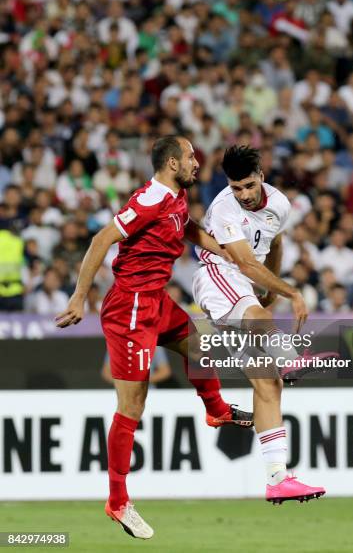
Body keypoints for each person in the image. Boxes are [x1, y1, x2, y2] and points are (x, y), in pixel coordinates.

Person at [56, 136, 252, 540]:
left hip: (156, 301)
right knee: (132, 405)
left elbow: (189, 230)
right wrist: (79, 298)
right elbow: (100, 241)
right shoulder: (149, 199)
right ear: (171, 163)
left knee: (199, 345)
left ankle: (215, 410)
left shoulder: (177, 197)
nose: (198, 162)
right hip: (130, 308)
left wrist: (228, 253)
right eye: (191, 157)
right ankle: (117, 500)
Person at [192, 146, 335, 506]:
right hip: (217, 276)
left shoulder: (280, 204)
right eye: (236, 187)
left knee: (268, 384)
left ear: (261, 176)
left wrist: (272, 287)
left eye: (248, 186)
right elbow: (243, 263)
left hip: (247, 287)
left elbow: (274, 243)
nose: (243, 194)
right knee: (259, 318)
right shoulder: (224, 209)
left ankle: (277, 478)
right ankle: (291, 357)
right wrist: (290, 293)